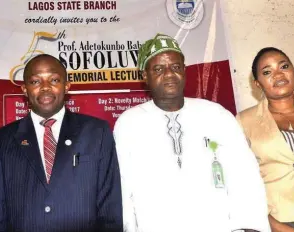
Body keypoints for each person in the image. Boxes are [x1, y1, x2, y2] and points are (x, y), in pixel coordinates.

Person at [114, 34, 270, 232]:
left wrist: (250, 226)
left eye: (176, 67)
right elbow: (124, 188)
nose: (169, 74)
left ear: (185, 72)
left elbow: (244, 175)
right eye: (158, 69)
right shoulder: (129, 123)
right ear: (145, 76)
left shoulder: (216, 114)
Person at [0, 54, 123, 231]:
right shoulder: (1, 140)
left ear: (66, 86)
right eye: (35, 82)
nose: (45, 88)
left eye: (54, 80)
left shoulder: (97, 132)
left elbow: (110, 206)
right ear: (25, 89)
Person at [236, 47, 294, 232]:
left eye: (284, 66)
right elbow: (240, 180)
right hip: (275, 217)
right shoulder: (243, 121)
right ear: (257, 83)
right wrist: (274, 225)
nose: (278, 75)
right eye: (267, 72)